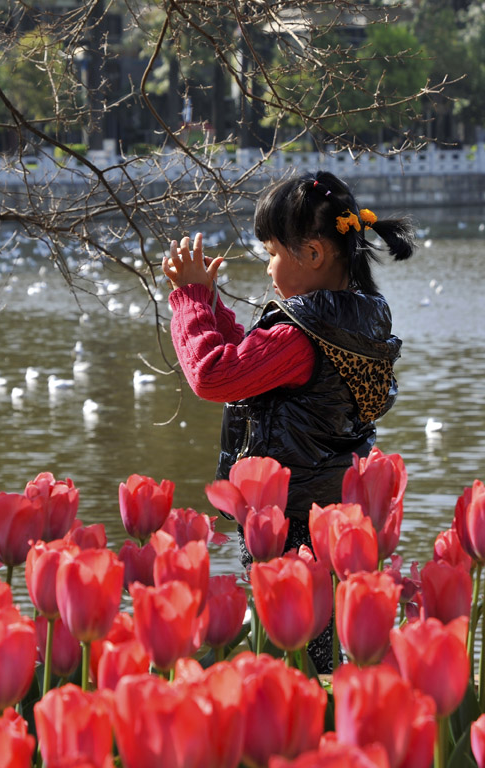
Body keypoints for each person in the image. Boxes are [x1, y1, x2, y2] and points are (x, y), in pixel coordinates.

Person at [161, 170, 415, 670]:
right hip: (333, 509)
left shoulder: (301, 335)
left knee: (294, 650)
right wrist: (212, 305)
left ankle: (303, 729)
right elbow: (253, 361)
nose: (269, 269)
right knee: (320, 640)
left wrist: (190, 301)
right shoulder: (358, 317)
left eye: (274, 253)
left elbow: (213, 375)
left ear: (314, 254)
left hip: (289, 514)